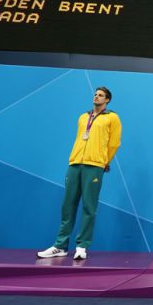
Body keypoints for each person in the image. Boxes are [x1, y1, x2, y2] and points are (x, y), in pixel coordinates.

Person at [37, 87, 122, 260]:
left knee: (89, 207)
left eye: (101, 95)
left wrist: (105, 161)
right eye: (95, 94)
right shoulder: (83, 117)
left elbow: (114, 143)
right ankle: (60, 245)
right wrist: (74, 158)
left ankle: (82, 246)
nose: (96, 97)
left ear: (107, 100)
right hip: (75, 163)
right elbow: (80, 138)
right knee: (67, 205)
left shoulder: (112, 117)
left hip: (95, 165)